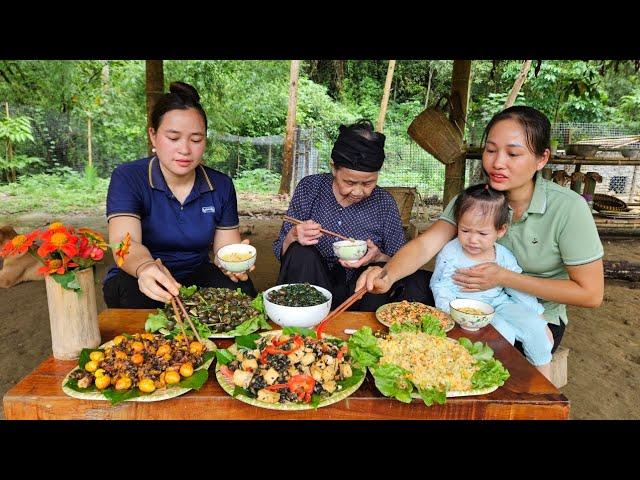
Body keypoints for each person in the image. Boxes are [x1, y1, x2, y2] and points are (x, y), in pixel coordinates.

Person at [357, 105, 604, 353]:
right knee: (410, 284)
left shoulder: (568, 209)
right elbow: (426, 244)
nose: (497, 163)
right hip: (466, 302)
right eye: (491, 150)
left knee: (487, 352)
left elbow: (591, 294)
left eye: (513, 154)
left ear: (542, 159)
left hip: (527, 313)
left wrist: (504, 278)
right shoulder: (475, 200)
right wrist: (386, 275)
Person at [103, 81, 256, 308]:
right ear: (153, 136)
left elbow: (225, 249)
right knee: (137, 297)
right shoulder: (128, 177)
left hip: (197, 273)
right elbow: (123, 243)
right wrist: (145, 267)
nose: (185, 149)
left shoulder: (221, 185)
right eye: (173, 138)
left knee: (242, 294)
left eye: (196, 139)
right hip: (138, 273)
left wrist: (232, 264)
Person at [273, 119, 433, 311]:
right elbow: (281, 253)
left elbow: (400, 261)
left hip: (362, 292)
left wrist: (377, 257)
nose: (358, 192)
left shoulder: (384, 203)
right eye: (349, 182)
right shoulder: (310, 188)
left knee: (410, 281)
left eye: (368, 183)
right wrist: (293, 235)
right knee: (301, 253)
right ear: (334, 168)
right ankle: (304, 323)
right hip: (312, 283)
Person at [430, 183, 553, 378]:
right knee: (503, 335)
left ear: (501, 230)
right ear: (458, 224)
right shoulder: (450, 253)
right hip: (465, 309)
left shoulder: (502, 255)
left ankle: (544, 383)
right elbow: (440, 285)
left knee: (537, 331)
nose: (472, 239)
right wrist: (448, 312)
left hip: (500, 303)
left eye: (482, 233)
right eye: (465, 230)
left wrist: (538, 315)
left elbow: (516, 286)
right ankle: (494, 381)